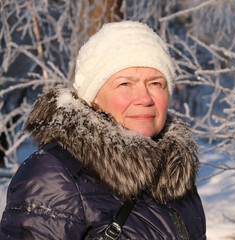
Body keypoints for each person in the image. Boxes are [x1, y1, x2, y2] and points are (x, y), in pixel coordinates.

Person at [0, 21, 206, 240]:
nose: (145, 98)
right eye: (125, 84)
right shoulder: (54, 175)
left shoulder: (176, 176)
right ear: (93, 97)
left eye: (155, 83)